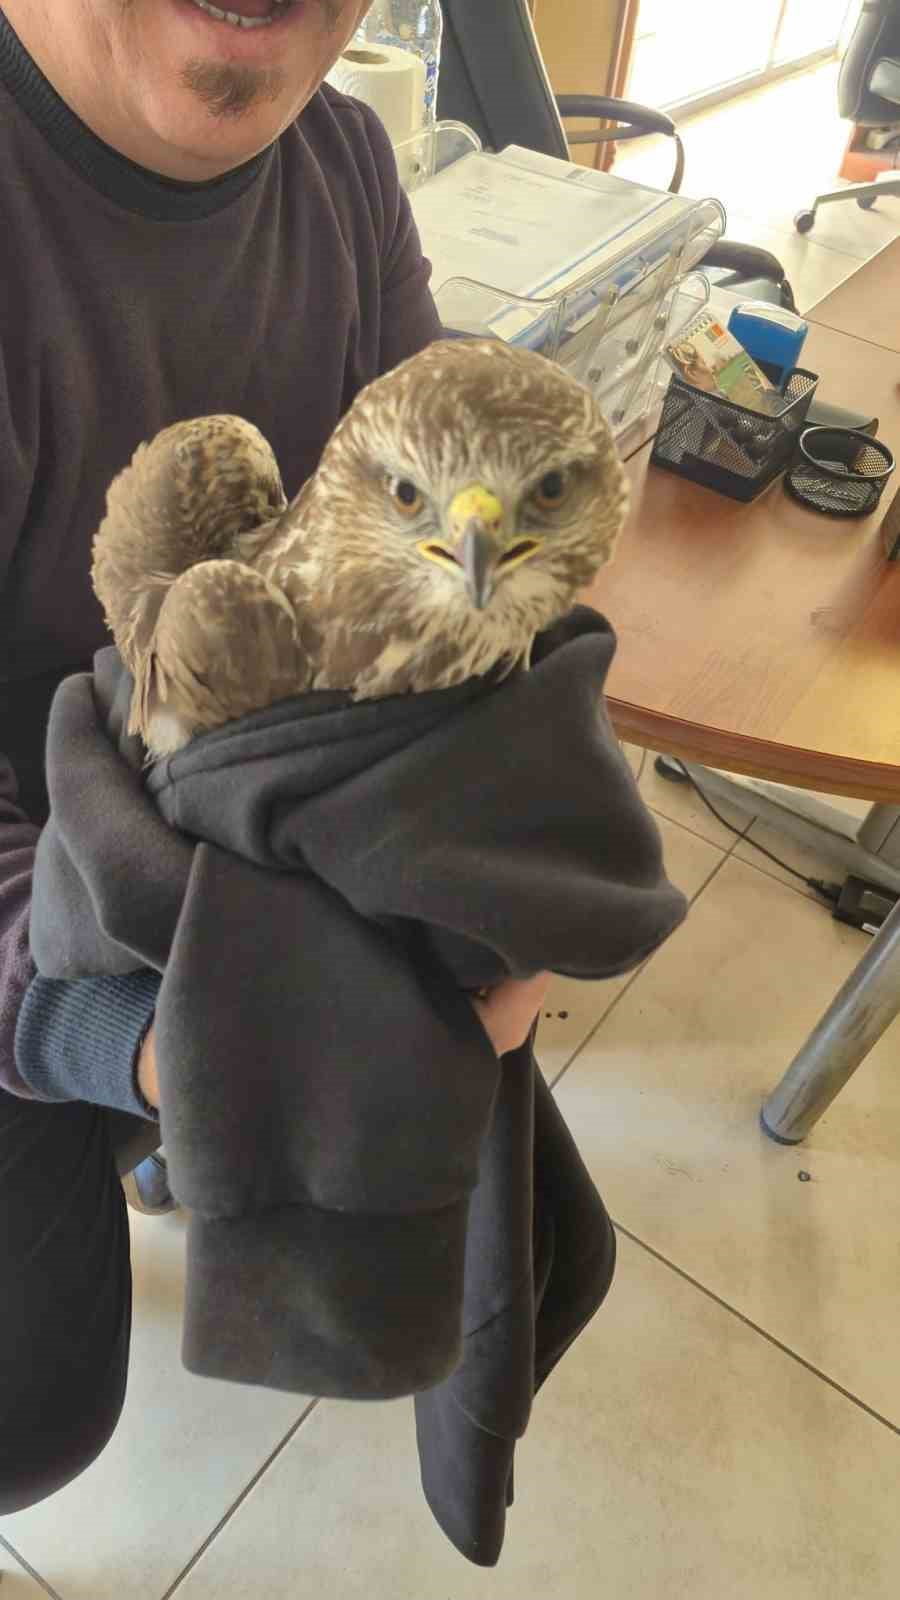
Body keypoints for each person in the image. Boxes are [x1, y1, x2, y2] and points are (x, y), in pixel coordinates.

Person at [0, 0, 561, 1514]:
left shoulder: (343, 164)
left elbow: (428, 539)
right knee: (32, 1420)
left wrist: (518, 832)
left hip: (236, 840)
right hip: (36, 914)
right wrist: (128, 1036)